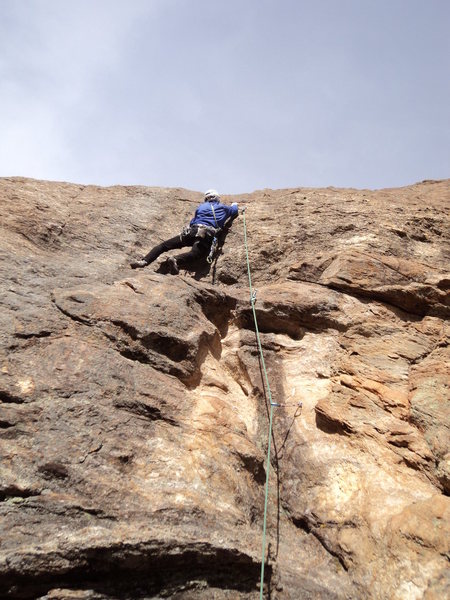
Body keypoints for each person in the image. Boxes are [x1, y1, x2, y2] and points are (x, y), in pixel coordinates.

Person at [130, 190, 239, 273]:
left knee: (164, 245)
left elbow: (193, 221)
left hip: (191, 231)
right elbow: (235, 211)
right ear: (217, 198)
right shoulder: (223, 208)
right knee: (195, 253)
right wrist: (234, 204)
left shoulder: (201, 207)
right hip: (205, 234)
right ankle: (175, 260)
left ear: (206, 199)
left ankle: (144, 261)